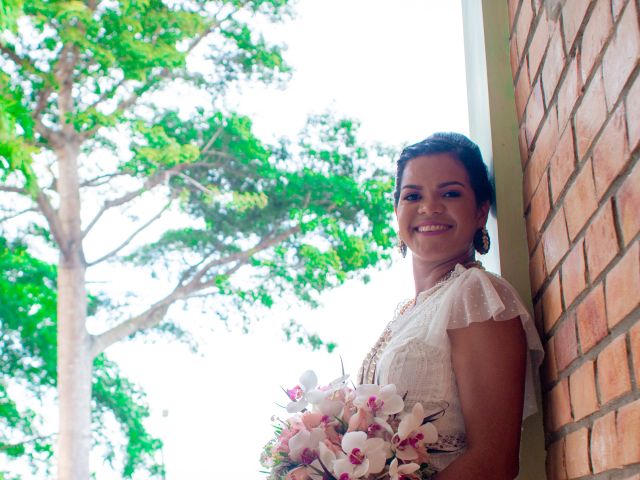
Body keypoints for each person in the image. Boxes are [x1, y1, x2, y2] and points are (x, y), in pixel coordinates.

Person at [358, 132, 544, 479]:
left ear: (480, 211)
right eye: (413, 195)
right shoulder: (408, 312)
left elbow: (493, 462)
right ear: (397, 211)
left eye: (450, 193)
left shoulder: (476, 295)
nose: (429, 207)